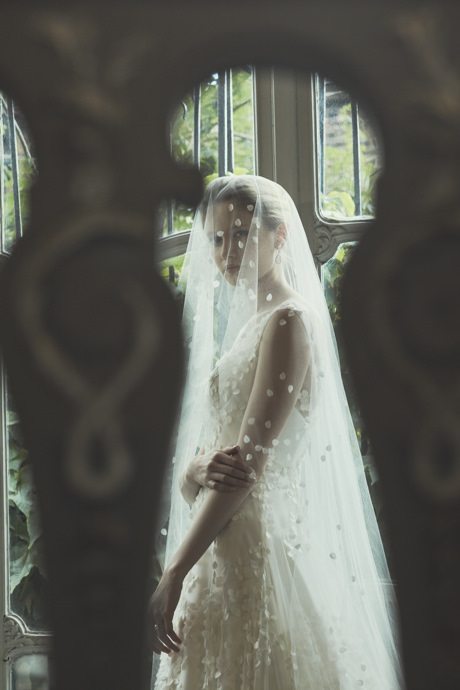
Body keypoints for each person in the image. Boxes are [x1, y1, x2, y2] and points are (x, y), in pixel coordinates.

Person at [149, 175, 404, 689]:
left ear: (280, 235)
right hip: (221, 544)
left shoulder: (287, 321)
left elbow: (247, 466)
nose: (228, 251)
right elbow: (213, 460)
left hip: (254, 546)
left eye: (242, 233)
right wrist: (194, 468)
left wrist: (173, 570)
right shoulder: (252, 322)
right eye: (218, 238)